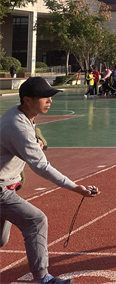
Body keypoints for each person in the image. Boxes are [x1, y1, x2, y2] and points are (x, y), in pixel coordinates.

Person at [0, 77, 99, 284]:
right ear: (27, 100)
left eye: (50, 96)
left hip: (7, 185)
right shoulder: (18, 124)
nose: (50, 100)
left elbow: (25, 141)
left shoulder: (23, 115)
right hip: (2, 190)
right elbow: (41, 166)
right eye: (44, 96)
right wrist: (76, 187)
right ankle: (43, 279)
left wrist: (36, 142)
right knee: (35, 221)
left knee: (0, 239)